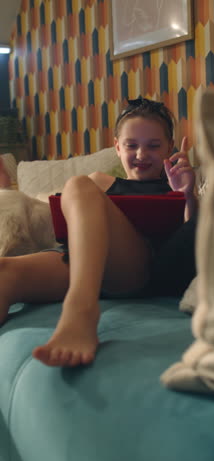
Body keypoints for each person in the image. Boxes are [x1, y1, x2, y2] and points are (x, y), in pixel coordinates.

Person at [0, 98, 197, 367]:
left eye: (153, 146)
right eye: (131, 145)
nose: (141, 154)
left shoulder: (178, 187)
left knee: (79, 185)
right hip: (85, 263)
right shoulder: (101, 183)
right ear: (117, 147)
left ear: (169, 148)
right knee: (4, 274)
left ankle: (81, 310)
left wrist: (186, 194)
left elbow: (195, 241)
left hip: (140, 269)